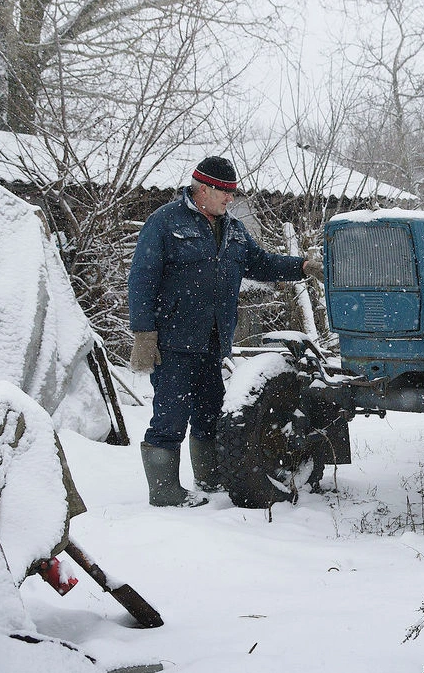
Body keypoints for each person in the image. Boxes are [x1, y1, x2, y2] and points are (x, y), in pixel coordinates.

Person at [127, 156, 322, 507]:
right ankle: (164, 491)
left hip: (214, 340)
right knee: (170, 414)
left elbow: (261, 262)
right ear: (203, 188)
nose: (230, 199)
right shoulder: (165, 222)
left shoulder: (232, 229)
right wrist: (144, 334)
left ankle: (209, 476)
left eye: (232, 192)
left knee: (209, 411)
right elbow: (142, 278)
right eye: (225, 192)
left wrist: (303, 266)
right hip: (173, 340)